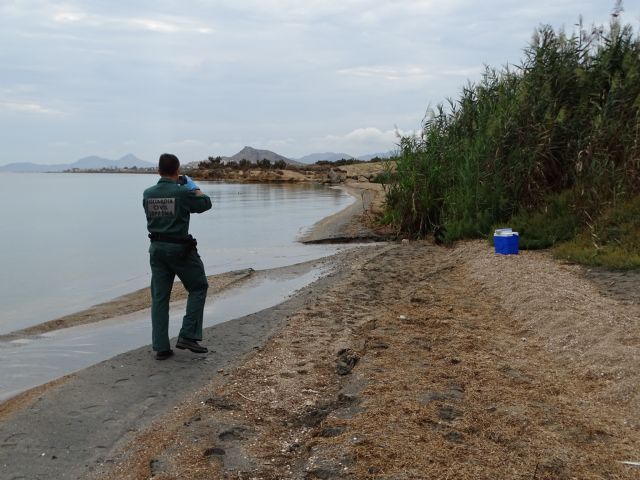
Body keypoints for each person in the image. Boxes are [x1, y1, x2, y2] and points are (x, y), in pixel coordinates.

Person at [142, 153, 212, 360]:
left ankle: (161, 347)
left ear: (158, 170)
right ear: (178, 170)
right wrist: (193, 186)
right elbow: (205, 204)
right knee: (198, 287)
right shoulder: (182, 192)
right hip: (180, 250)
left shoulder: (148, 193)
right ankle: (188, 335)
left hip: (156, 248)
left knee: (160, 297)